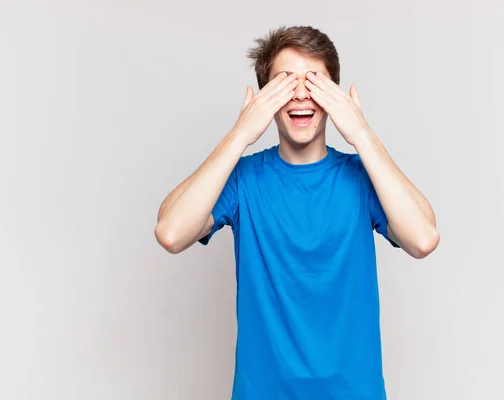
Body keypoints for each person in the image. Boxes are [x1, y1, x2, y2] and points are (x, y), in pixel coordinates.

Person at [155, 25, 439, 400]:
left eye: (315, 81)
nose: (302, 94)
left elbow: (423, 239)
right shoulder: (243, 180)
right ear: (265, 98)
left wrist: (362, 133)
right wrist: (240, 134)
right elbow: (171, 232)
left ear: (334, 94)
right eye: (286, 83)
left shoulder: (361, 177)